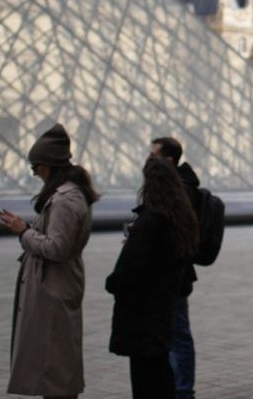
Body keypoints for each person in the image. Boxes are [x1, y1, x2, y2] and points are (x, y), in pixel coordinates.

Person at [0, 123, 99, 399]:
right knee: (54, 368)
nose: (35, 173)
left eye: (36, 167)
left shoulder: (65, 199)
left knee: (56, 371)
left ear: (48, 165)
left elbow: (58, 248)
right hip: (55, 287)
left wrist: (23, 231)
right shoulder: (67, 194)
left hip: (53, 290)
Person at [106, 157, 199, 399]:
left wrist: (112, 283)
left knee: (145, 378)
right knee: (161, 371)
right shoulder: (180, 217)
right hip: (163, 306)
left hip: (142, 312)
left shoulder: (151, 220)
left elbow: (130, 268)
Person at [150, 136, 203, 399]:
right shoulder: (181, 185)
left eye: (153, 156)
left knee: (178, 334)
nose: (148, 161)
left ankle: (183, 391)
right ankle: (178, 388)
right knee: (173, 333)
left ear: (168, 160)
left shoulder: (181, 189)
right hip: (175, 271)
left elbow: (177, 231)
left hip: (174, 272)